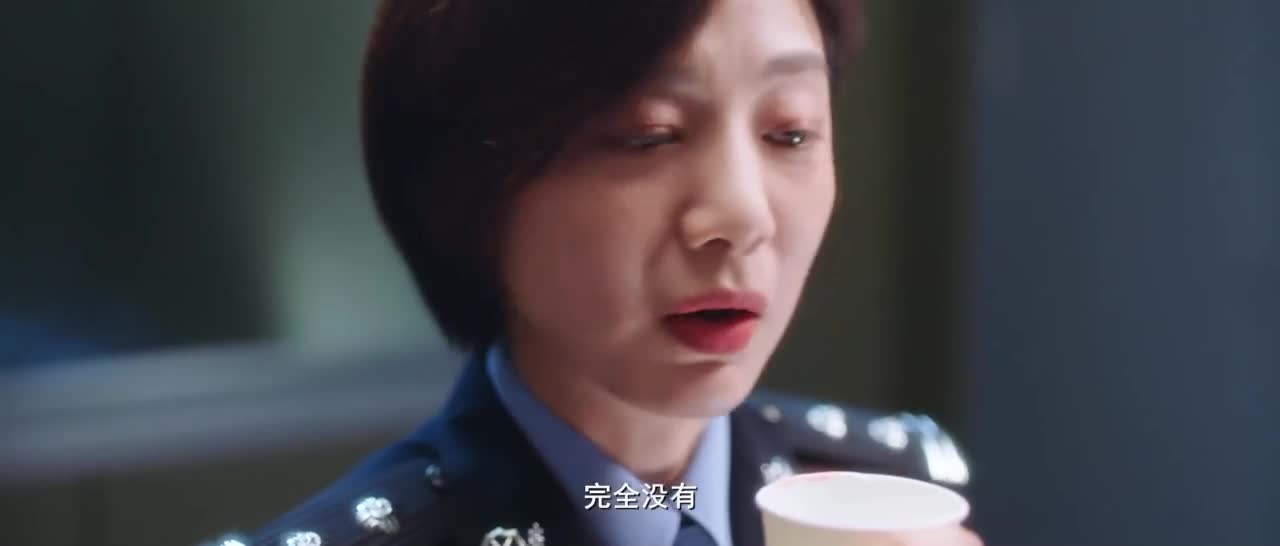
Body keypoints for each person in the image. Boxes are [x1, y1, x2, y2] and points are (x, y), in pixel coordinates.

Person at [212, 0, 978, 545]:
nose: (744, 215)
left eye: (790, 132)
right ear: (470, 182)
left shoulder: (890, 494)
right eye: (649, 135)